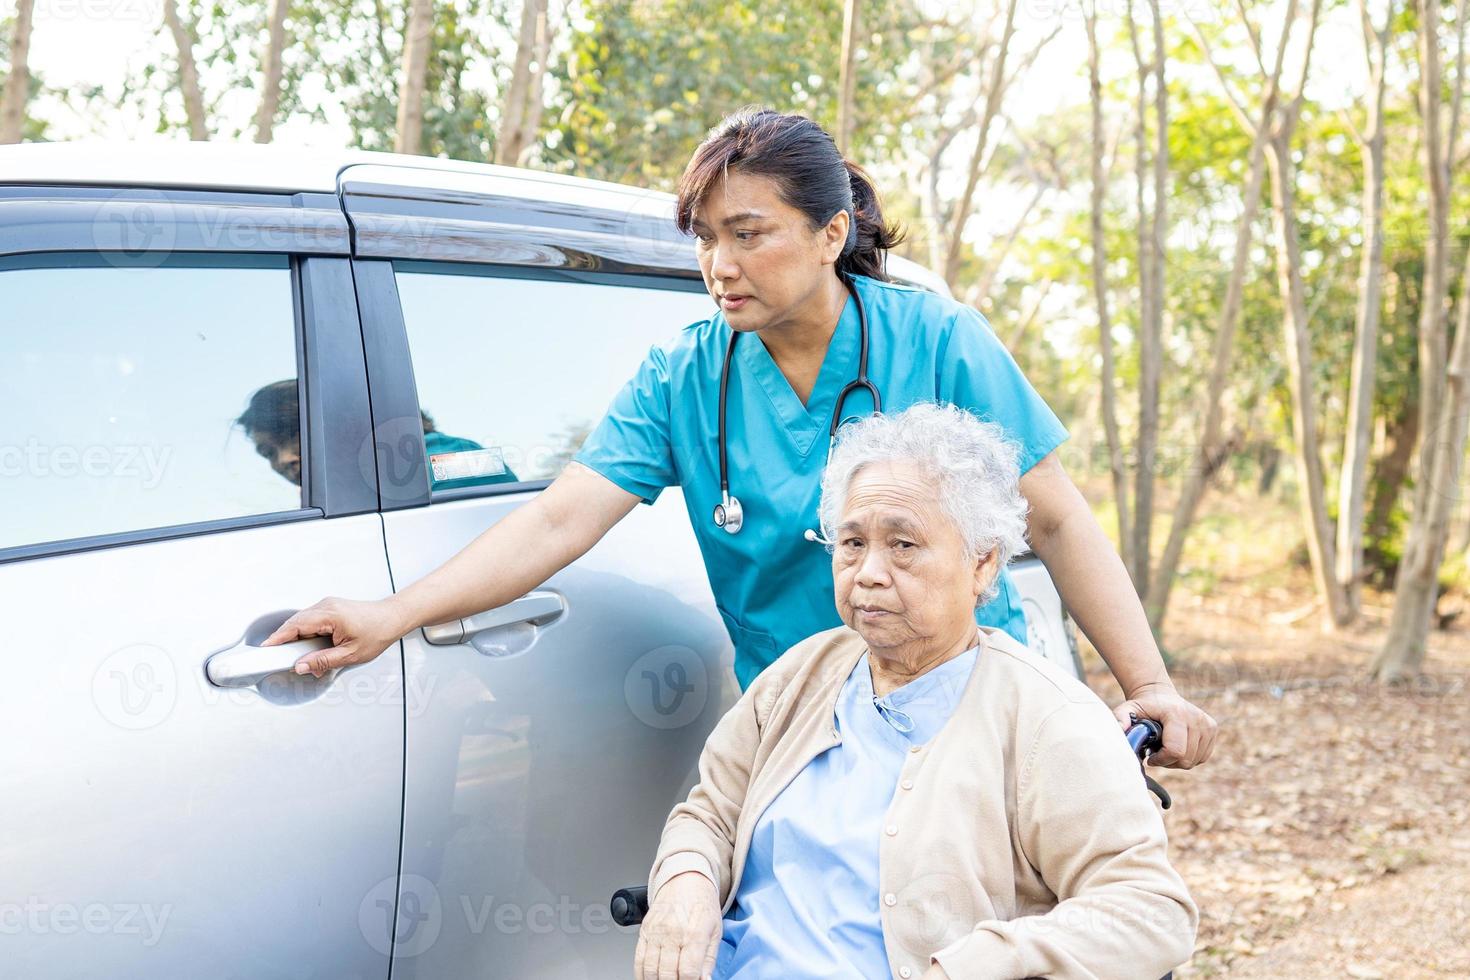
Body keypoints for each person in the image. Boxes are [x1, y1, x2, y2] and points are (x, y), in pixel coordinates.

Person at [265, 106, 1216, 769]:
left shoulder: (936, 339)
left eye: (749, 234)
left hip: (969, 697)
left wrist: (1150, 686)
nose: (720, 265)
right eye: (705, 236)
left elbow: (1055, 522)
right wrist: (393, 614)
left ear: (831, 232)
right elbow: (559, 522)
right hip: (802, 716)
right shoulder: (684, 374)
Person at [634, 404, 1197, 980]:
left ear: (981, 565)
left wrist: (986, 962)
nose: (869, 571)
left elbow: (1150, 912)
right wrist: (686, 880)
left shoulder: (1048, 720)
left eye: (902, 545)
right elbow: (710, 814)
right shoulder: (798, 677)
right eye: (851, 543)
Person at [236, 379, 517, 490]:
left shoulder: (453, 457)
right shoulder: (343, 498)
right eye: (268, 452)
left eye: (294, 437)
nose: (284, 458)